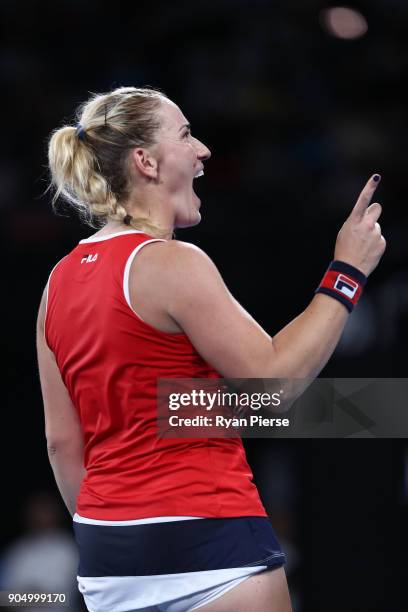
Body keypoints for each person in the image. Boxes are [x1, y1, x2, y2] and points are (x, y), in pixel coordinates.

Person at [36, 86, 386, 612]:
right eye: (186, 134)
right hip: (212, 544)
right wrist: (348, 271)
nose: (203, 151)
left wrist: (115, 532)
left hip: (109, 559)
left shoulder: (56, 284)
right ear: (145, 162)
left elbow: (63, 442)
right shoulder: (174, 264)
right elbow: (273, 387)